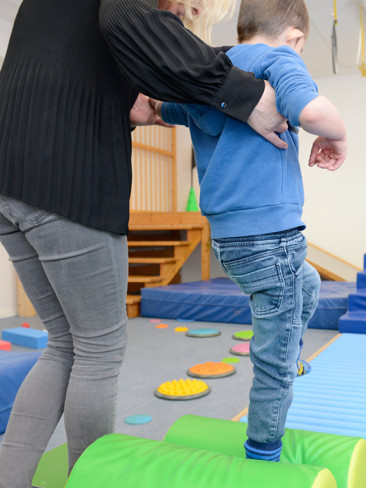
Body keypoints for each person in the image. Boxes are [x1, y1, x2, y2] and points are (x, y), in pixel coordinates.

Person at [0, 1, 288, 486]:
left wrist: (129, 103)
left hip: (11, 173)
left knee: (65, 344)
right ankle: (90, 478)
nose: (188, 11)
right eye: (194, 4)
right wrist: (245, 92)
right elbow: (127, 20)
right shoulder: (128, 10)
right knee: (99, 349)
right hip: (67, 175)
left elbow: (86, 56)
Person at [154, 0, 347, 462]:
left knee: (310, 280)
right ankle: (263, 448)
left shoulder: (211, 69)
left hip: (229, 239)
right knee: (273, 360)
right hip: (272, 238)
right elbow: (314, 111)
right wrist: (338, 135)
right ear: (296, 38)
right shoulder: (280, 61)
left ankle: (291, 352)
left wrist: (153, 102)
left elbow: (165, 109)